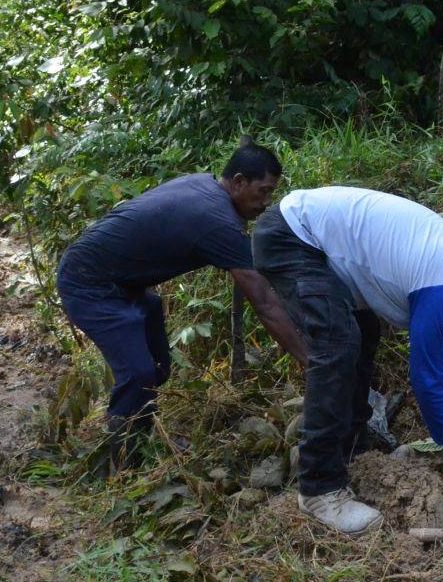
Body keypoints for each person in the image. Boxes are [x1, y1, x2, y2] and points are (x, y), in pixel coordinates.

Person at [252, 187, 443, 534]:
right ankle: (319, 488)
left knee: (361, 334)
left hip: (325, 246)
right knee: (338, 345)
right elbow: (428, 379)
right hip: (295, 236)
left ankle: (351, 455)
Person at [56, 143, 308, 468]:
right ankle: (121, 467)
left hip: (120, 283)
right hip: (88, 282)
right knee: (138, 372)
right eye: (263, 191)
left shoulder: (202, 185)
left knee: (159, 365)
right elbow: (264, 303)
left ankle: (141, 434)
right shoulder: (217, 221)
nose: (266, 202)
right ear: (240, 181)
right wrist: (307, 359)